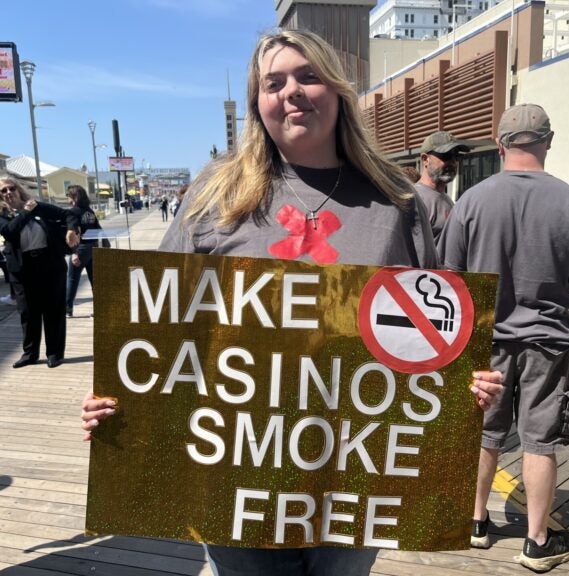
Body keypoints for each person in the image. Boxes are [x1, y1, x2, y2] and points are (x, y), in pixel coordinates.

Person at [81, 29, 504, 576]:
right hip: (234, 458)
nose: (291, 92)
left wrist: (463, 381)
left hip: (355, 464)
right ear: (258, 102)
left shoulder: (395, 200)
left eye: (308, 76)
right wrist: (121, 402)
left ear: (337, 91)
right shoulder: (215, 191)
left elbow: (433, 330)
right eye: (273, 82)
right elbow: (162, 324)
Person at [438, 103, 569, 572]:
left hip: (485, 340)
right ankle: (537, 540)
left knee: (485, 432)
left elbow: (449, 278)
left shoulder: (471, 201)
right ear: (548, 142)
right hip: (548, 339)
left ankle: (476, 522)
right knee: (539, 441)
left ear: (499, 145)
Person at [0, 177, 78, 369]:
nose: (8, 193)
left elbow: (69, 215)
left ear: (18, 189)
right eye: (2, 191)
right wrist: (26, 212)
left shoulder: (36, 206)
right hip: (23, 268)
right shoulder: (0, 215)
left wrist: (71, 230)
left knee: (53, 310)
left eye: (11, 188)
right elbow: (11, 232)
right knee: (28, 313)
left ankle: (54, 353)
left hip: (50, 263)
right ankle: (30, 353)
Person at [414, 131, 481, 243]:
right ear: (425, 159)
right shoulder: (416, 199)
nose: (452, 162)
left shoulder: (446, 199)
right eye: (445, 156)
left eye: (455, 157)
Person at [65, 185, 102, 317]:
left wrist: (74, 253)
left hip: (80, 249)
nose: (67, 198)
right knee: (95, 280)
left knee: (72, 279)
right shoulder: (90, 211)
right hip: (93, 248)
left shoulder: (73, 212)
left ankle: (68, 309)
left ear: (74, 197)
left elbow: (72, 234)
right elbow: (98, 228)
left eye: (68, 195)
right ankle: (99, 308)